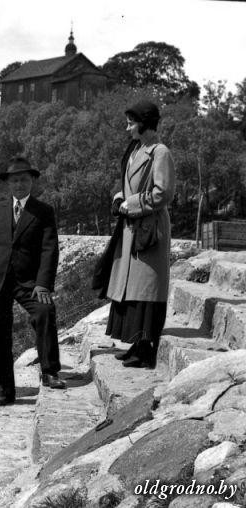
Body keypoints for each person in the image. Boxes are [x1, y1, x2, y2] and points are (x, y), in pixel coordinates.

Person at [0, 156, 66, 404]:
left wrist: (43, 283)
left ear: (32, 181)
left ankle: (49, 371)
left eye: (24, 179)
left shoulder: (44, 212)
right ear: (8, 183)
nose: (19, 184)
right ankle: (4, 391)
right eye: (15, 180)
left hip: (30, 282)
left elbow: (50, 249)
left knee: (44, 311)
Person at [106, 101, 175, 368]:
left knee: (146, 287)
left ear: (144, 123)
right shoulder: (137, 150)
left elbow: (163, 193)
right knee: (133, 287)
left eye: (131, 123)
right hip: (131, 227)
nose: (127, 128)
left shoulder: (160, 153)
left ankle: (145, 349)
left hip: (149, 229)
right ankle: (137, 343)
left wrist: (131, 204)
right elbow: (129, 184)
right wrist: (119, 197)